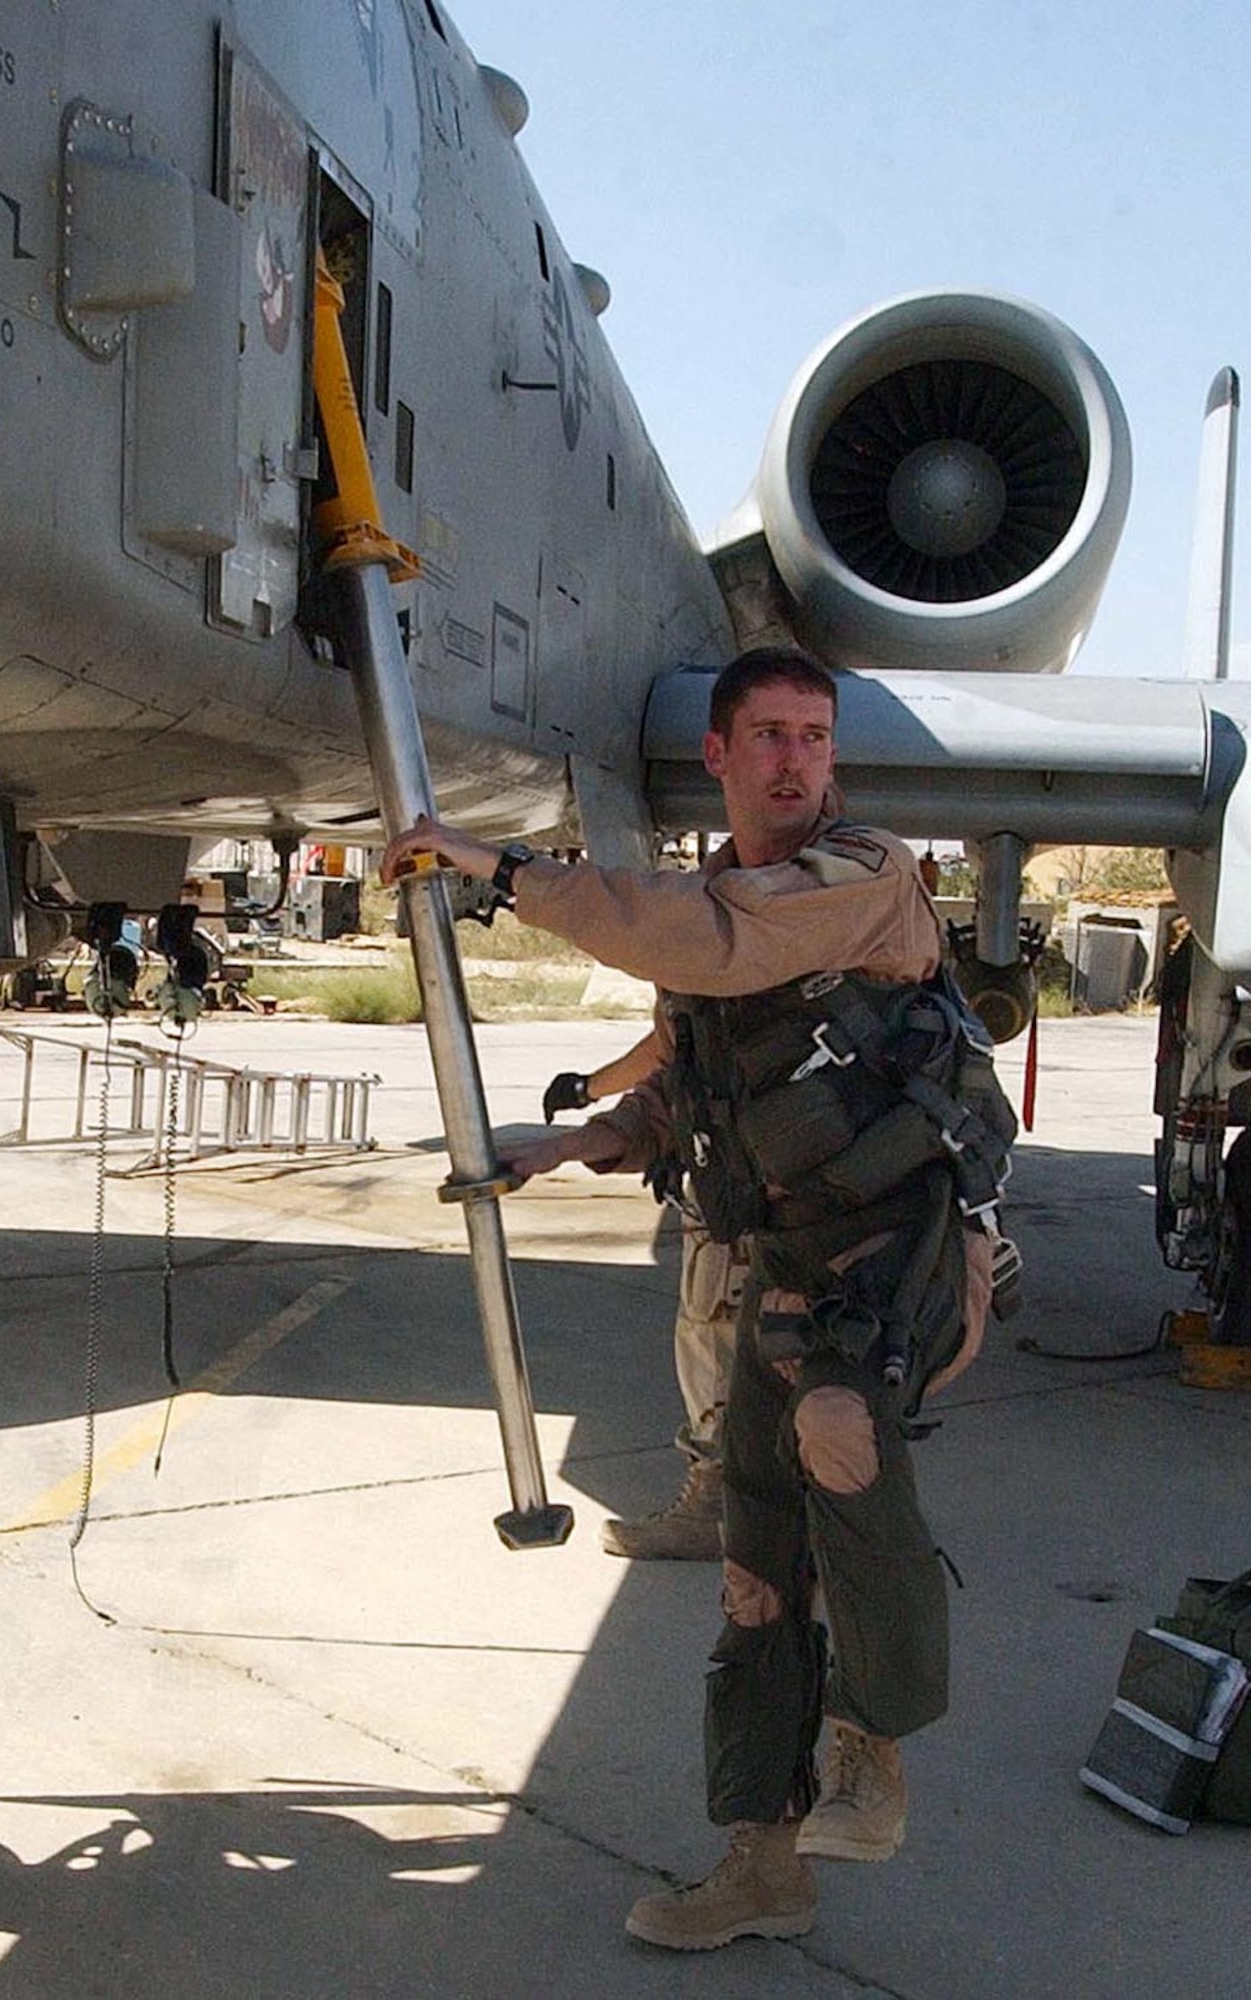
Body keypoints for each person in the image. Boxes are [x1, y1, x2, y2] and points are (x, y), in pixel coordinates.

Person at [382, 647, 1010, 1953]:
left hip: (902, 1254)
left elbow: (705, 937)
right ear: (719, 755)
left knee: (841, 1432)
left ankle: (872, 1748)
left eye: (816, 737)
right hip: (782, 1282)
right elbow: (684, 1094)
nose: (796, 761)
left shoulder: (862, 878)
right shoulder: (722, 917)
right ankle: (761, 1864)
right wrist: (554, 1149)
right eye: (770, 735)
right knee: (752, 1584)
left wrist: (499, 872)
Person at [543, 1032, 748, 1561]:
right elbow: (675, 1067)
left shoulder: (735, 969)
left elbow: (675, 1048)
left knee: (714, 1331)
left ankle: (715, 1512)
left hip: (746, 1202)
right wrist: (576, 1136)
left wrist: (589, 1094)